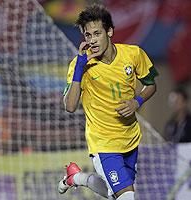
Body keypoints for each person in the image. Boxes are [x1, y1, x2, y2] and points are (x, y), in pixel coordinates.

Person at [58, 4, 158, 200]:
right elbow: (69, 106)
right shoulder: (80, 64)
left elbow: (151, 85)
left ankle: (76, 177)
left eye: (97, 33)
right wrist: (79, 70)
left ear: (110, 31)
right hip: (103, 144)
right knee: (127, 197)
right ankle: (76, 177)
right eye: (88, 36)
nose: (92, 40)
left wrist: (137, 102)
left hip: (130, 140)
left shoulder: (134, 54)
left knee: (114, 194)